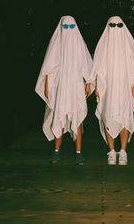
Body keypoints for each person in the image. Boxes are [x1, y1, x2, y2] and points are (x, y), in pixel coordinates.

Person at [87, 16, 134, 165]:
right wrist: (96, 86)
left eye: (119, 25)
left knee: (125, 116)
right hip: (108, 88)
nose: (115, 28)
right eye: (112, 25)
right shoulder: (103, 46)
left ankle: (123, 151)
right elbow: (97, 68)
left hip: (125, 87)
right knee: (108, 116)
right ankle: (112, 151)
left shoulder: (128, 45)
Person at [35, 16, 92, 165]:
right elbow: (48, 67)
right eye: (65, 27)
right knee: (58, 116)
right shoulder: (56, 44)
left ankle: (79, 153)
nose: (68, 30)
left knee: (77, 117)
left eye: (71, 27)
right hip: (59, 86)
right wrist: (47, 85)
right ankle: (56, 152)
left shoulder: (79, 44)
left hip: (75, 86)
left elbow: (87, 65)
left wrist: (88, 83)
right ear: (60, 28)